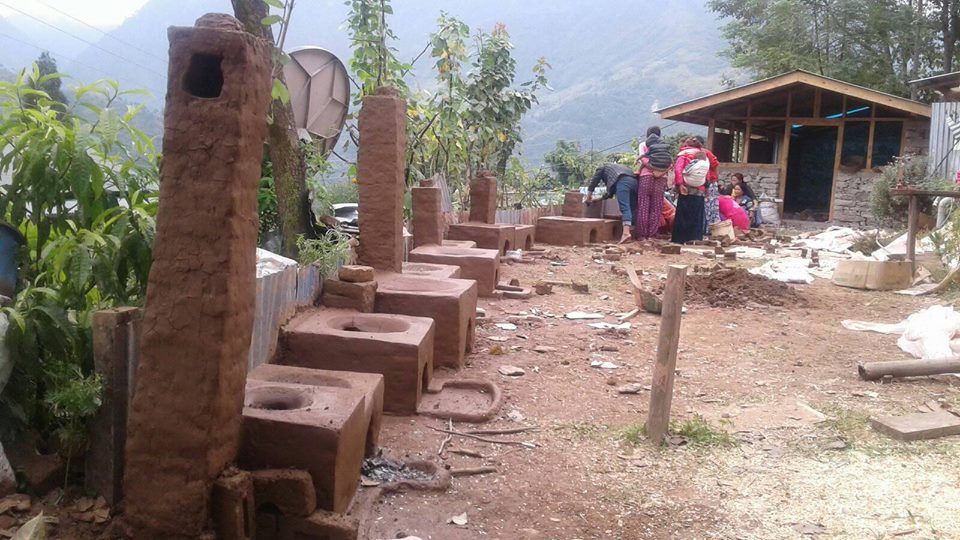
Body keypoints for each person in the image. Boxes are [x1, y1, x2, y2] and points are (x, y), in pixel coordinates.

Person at [635, 127, 673, 239]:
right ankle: (652, 235)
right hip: (661, 179)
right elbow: (670, 163)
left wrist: (652, 169)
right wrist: (661, 172)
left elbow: (643, 160)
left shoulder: (643, 144)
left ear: (648, 135)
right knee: (656, 206)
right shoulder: (664, 147)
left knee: (643, 205)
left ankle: (642, 235)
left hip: (646, 177)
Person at [585, 163, 638, 243]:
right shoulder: (621, 168)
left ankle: (626, 233)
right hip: (635, 182)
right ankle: (633, 232)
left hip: (623, 182)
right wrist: (598, 199)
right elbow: (610, 193)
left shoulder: (602, 167)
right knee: (633, 207)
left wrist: (588, 196)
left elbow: (594, 181)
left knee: (625, 207)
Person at [671, 138, 708, 244]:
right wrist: (706, 187)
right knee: (697, 215)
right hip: (699, 188)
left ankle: (680, 239)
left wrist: (680, 184)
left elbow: (678, 170)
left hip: (686, 188)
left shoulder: (684, 154)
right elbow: (707, 172)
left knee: (683, 214)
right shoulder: (704, 155)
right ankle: (695, 239)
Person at [689, 136, 720, 234]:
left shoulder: (697, 153)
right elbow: (715, 165)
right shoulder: (705, 153)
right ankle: (707, 229)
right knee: (709, 206)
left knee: (704, 206)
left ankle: (702, 229)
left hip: (702, 183)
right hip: (707, 182)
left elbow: (714, 165)